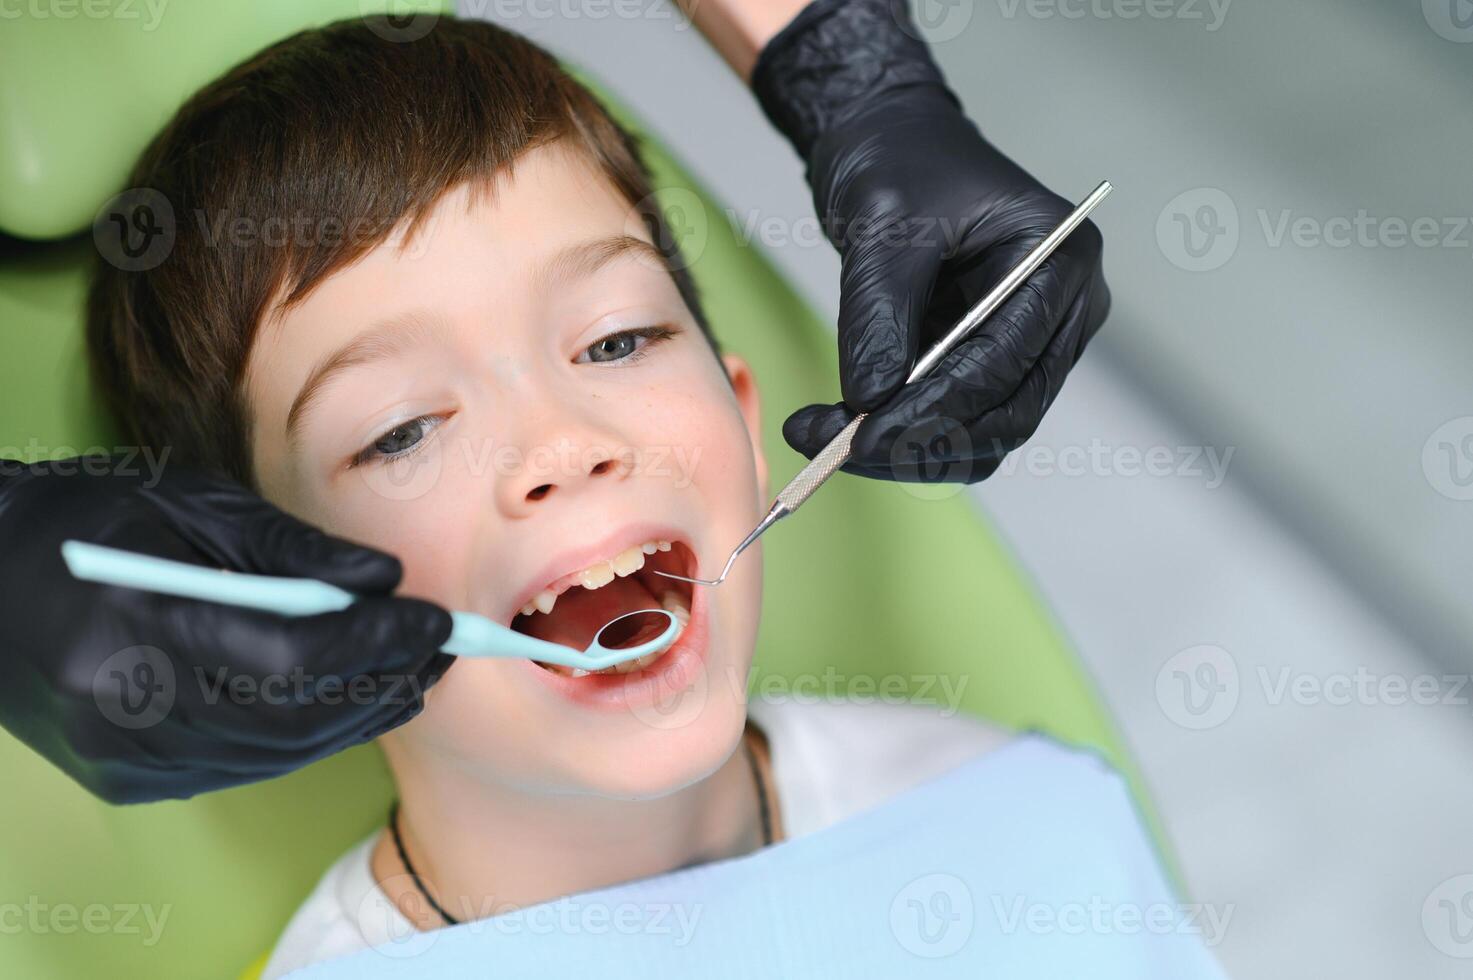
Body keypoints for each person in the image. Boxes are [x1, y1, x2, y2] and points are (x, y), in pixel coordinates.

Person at [0, 0, 1109, 804]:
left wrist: (851, 63)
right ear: (247, 586)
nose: (561, 445)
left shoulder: (1020, 809)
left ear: (744, 414)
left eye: (618, 337)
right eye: (399, 429)